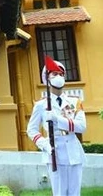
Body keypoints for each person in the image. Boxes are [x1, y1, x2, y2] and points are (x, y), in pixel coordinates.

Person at [27, 59, 86, 196]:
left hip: (74, 152)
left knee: (75, 193)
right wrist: (45, 145)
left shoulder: (74, 101)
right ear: (46, 78)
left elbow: (82, 126)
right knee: (59, 193)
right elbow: (31, 129)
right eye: (54, 74)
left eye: (61, 74)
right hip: (55, 152)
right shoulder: (41, 105)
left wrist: (57, 119)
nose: (59, 77)